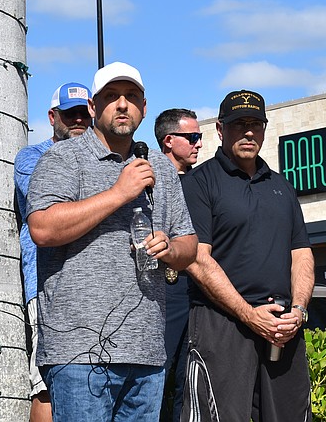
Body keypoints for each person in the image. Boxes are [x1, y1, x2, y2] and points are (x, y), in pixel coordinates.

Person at [26, 62, 198, 422]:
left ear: (144, 108)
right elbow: (42, 229)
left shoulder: (161, 167)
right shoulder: (62, 158)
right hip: (79, 352)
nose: (122, 104)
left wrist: (170, 249)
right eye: (111, 97)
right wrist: (119, 193)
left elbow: (189, 244)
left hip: (147, 349)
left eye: (131, 96)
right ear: (93, 108)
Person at [180, 89, 314, 422]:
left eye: (256, 124)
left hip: (283, 326)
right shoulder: (200, 183)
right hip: (222, 324)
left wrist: (298, 309)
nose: (249, 132)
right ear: (221, 130)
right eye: (239, 124)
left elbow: (302, 255)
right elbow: (197, 258)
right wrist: (248, 314)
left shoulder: (281, 187)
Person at [15, 81, 92, 421]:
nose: (78, 121)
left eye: (84, 114)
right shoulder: (31, 156)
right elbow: (52, 201)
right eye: (70, 114)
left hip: (97, 284)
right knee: (46, 381)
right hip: (48, 283)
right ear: (52, 116)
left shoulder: (106, 156)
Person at [154, 108, 203, 421]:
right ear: (169, 141)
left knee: (190, 386)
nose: (199, 143)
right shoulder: (149, 179)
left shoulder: (204, 183)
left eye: (200, 137)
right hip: (165, 291)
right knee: (156, 380)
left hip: (199, 296)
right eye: (193, 137)